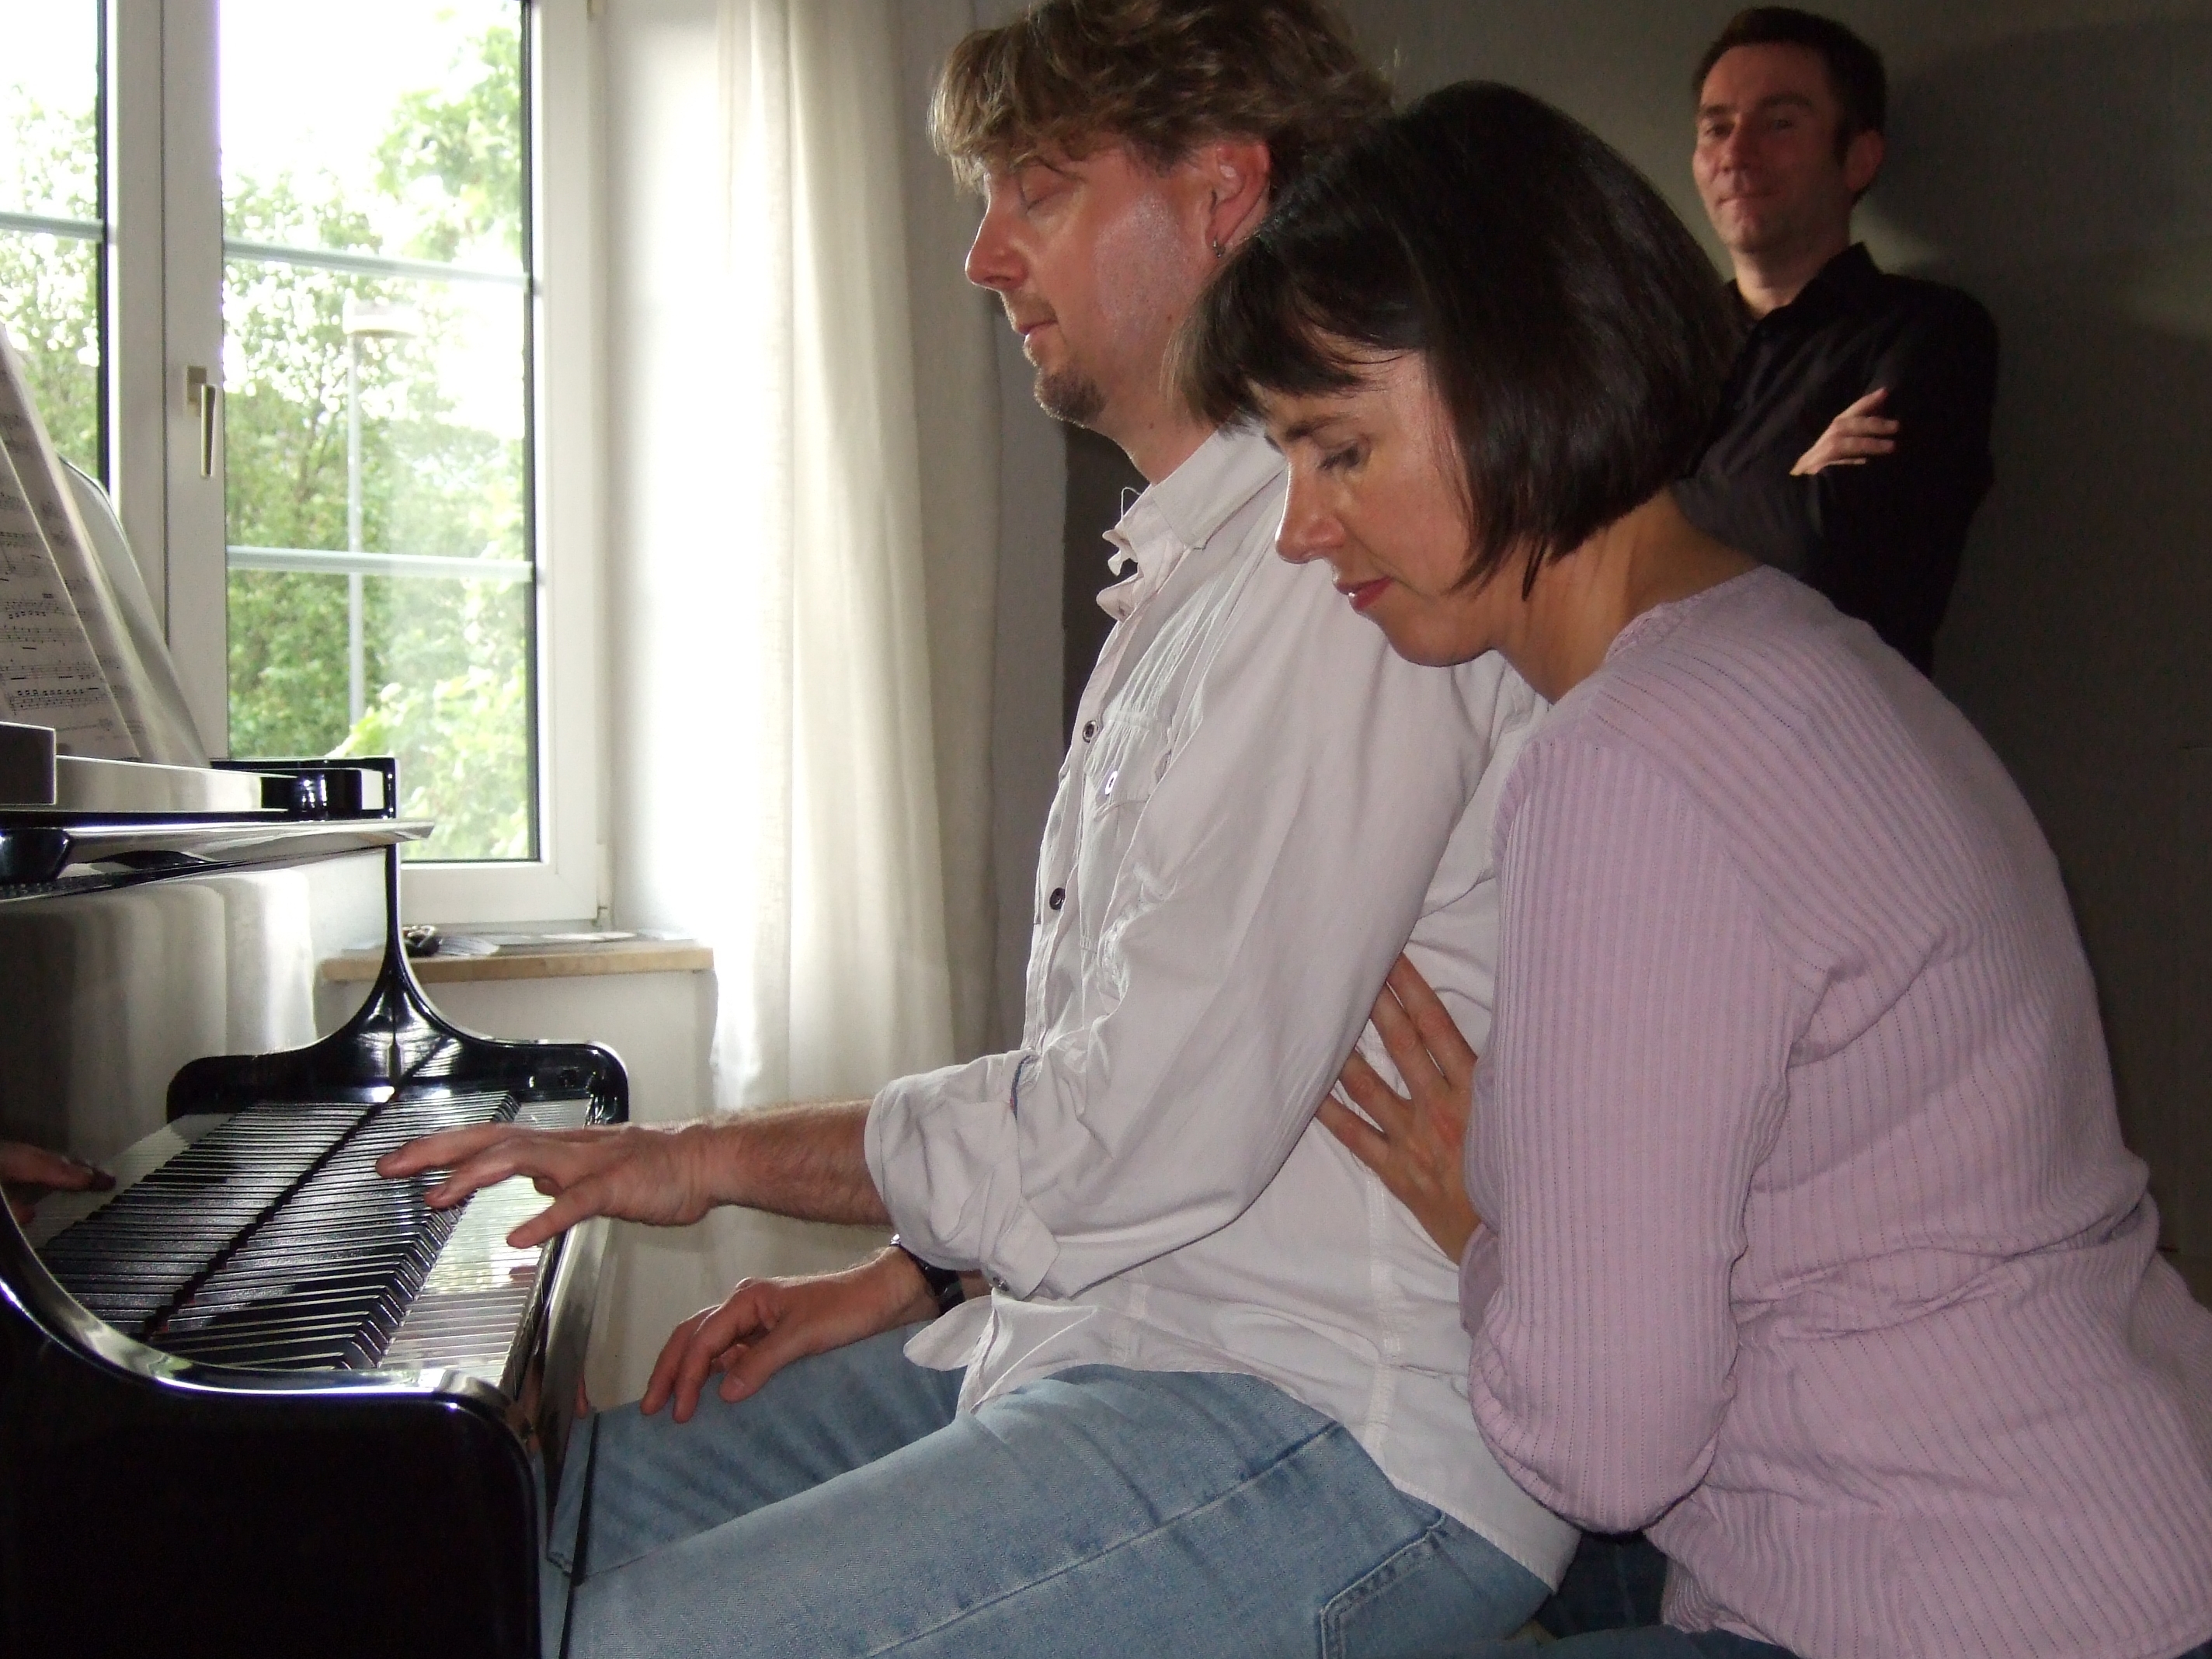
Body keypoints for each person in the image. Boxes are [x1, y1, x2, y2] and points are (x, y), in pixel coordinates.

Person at [380, 5, 1578, 1654]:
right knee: (500, 1536)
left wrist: (700, 1158)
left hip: (1333, 1417)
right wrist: (917, 1275)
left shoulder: (1330, 580)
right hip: (1102, 1334)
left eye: (1038, 190)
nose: (983, 255)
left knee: (619, 1642)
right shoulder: (1200, 569)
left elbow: (1130, 1131)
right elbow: (1132, 1083)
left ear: (1222, 194)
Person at [1184, 77, 2212, 1658]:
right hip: (2122, 1524)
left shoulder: (1629, 764)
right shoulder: (1788, 652)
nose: (1298, 532)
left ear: (1519, 379)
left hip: (1964, 1598)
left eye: (1338, 450)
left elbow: (1600, 1443)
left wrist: (1488, 1238)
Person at [1672, 7, 1998, 676]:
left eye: (1780, 123)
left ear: (1858, 158)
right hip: (1638, 723)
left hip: (1823, 730)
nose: (1736, 154)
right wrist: (1784, 488)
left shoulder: (1932, 333)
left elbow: (1825, 549)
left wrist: (1651, 512)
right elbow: (1565, 534)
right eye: (1717, 128)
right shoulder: (1656, 350)